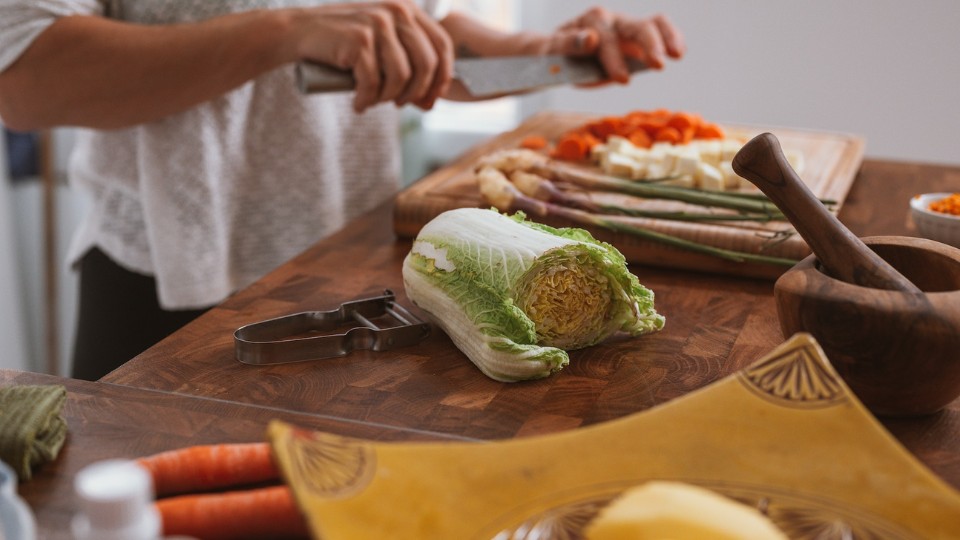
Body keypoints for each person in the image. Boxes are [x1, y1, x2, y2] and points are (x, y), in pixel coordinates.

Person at [0, 1, 685, 381]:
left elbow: (421, 37)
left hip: (356, 281)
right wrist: (285, 30)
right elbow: (22, 74)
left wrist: (554, 48)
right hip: (159, 293)